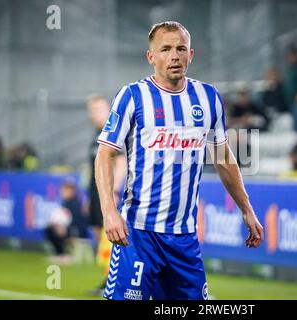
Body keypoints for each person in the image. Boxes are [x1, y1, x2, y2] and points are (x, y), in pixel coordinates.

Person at [95, 21, 264, 300]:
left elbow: (222, 156)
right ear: (151, 57)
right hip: (138, 234)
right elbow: (105, 153)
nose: (174, 55)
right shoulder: (132, 96)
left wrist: (246, 208)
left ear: (190, 55)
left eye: (180, 48)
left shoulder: (208, 97)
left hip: (184, 239)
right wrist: (109, 211)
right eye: (165, 49)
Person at [86, 95, 127, 295]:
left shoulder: (114, 132)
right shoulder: (97, 134)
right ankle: (108, 279)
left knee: (110, 238)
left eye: (100, 109)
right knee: (99, 237)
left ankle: (114, 282)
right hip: (96, 191)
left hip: (109, 193)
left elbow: (120, 163)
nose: (96, 114)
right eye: (93, 110)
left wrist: (115, 192)